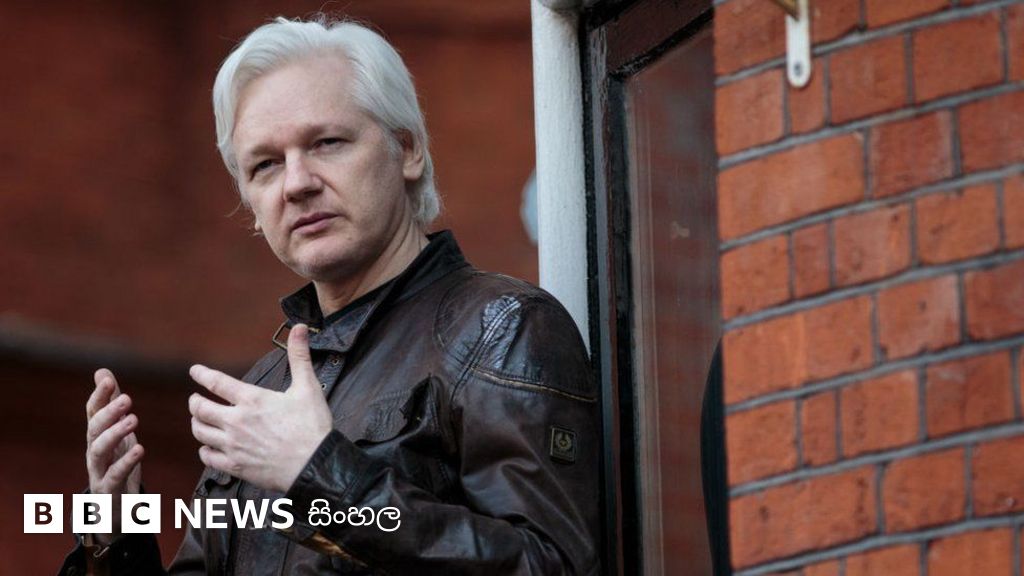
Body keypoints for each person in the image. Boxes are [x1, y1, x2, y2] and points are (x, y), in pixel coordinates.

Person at [59, 15, 600, 576]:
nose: (297, 183)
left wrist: (319, 473)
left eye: (326, 143)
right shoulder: (265, 390)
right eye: (266, 165)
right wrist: (115, 535)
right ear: (250, 204)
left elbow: (550, 566)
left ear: (407, 149)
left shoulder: (501, 328)